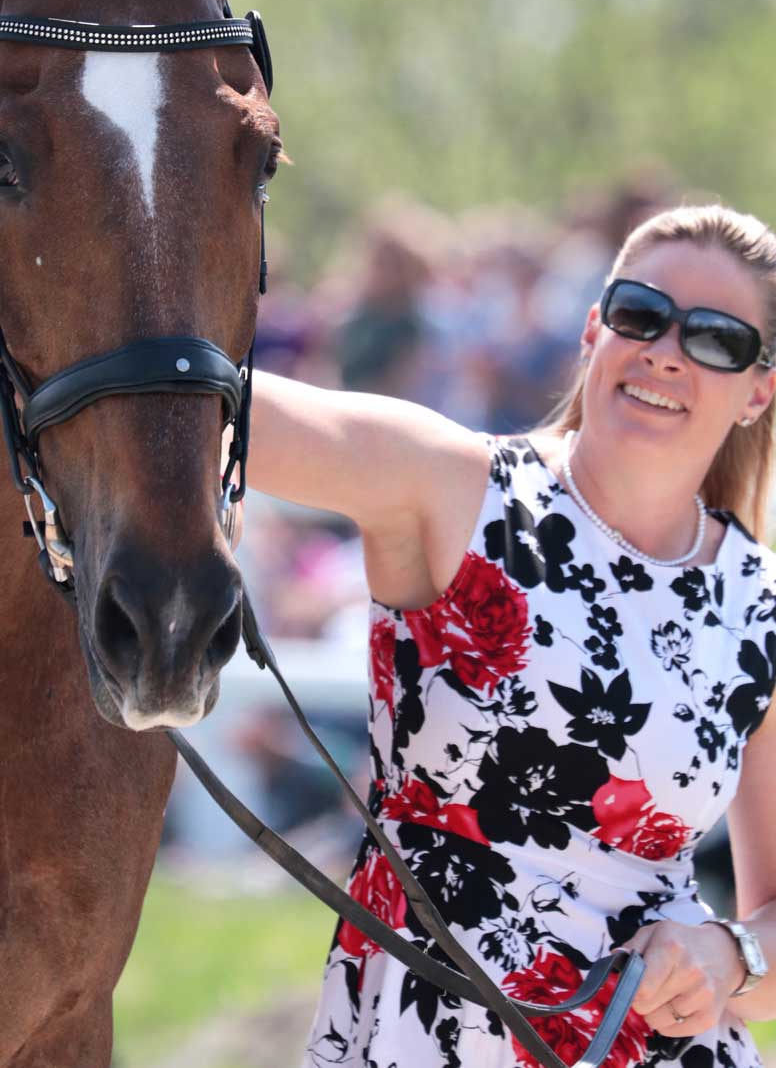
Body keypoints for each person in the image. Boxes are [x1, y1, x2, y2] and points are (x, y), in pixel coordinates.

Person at [244, 203, 776, 1067]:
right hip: (425, 1030)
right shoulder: (452, 483)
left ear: (759, 388)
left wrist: (729, 954)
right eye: (642, 313)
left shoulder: (759, 604)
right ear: (594, 327)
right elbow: (200, 401)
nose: (667, 351)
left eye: (717, 338)